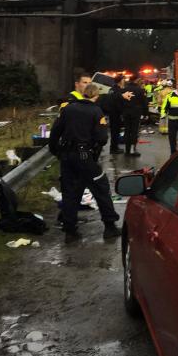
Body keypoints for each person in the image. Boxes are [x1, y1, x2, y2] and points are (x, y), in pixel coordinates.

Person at [49, 83, 120, 244]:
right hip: (85, 157)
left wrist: (56, 152)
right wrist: (93, 153)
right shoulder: (96, 111)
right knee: (100, 188)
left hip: (67, 156)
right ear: (96, 96)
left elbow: (55, 132)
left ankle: (70, 231)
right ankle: (110, 226)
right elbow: (102, 138)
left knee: (70, 193)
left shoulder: (67, 109)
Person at [121, 72, 147, 157]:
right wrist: (145, 114)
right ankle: (132, 150)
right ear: (136, 80)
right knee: (134, 131)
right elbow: (144, 103)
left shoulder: (124, 89)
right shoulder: (140, 90)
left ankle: (127, 150)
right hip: (136, 113)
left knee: (127, 130)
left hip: (126, 113)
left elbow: (121, 101)